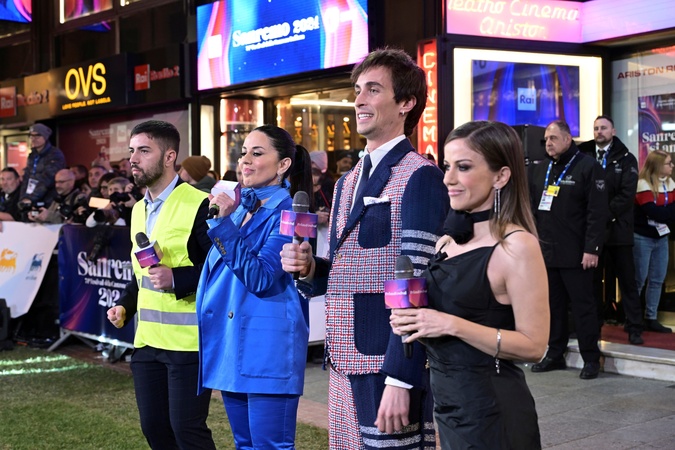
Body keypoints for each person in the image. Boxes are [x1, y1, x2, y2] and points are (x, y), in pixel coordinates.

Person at [281, 48, 449, 448]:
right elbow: (348, 268)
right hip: (342, 360)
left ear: (406, 103)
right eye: (357, 90)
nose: (358, 100)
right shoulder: (346, 182)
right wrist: (311, 269)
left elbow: (418, 283)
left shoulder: (421, 175)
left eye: (373, 89)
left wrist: (401, 377)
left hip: (385, 359)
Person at [389, 120, 549, 449]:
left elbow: (535, 347)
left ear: (500, 176)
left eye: (463, 167)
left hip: (494, 413)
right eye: (447, 166)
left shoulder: (517, 247)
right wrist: (413, 319)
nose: (448, 179)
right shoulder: (447, 241)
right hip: (449, 408)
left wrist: (450, 324)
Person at [196, 125, 313, 449]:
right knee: (244, 444)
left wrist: (221, 223)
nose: (245, 160)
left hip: (266, 347)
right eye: (244, 152)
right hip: (233, 342)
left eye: (257, 153)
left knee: (269, 445)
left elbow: (260, 277)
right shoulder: (242, 207)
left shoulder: (289, 212)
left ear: (283, 164)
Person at [106, 120, 216, 450]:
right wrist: (125, 304)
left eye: (144, 150)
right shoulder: (139, 209)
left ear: (169, 157)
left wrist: (177, 278)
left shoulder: (201, 204)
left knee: (187, 432)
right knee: (154, 429)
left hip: (189, 343)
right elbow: (142, 272)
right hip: (147, 342)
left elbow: (221, 270)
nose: (133, 159)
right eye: (131, 151)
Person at [529, 120, 607, 380]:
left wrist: (592, 248)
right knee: (553, 306)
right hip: (547, 252)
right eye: (546, 140)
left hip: (577, 253)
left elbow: (597, 212)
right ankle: (555, 354)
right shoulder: (541, 169)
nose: (548, 143)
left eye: (553, 138)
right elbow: (532, 209)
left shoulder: (588, 166)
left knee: (584, 308)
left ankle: (591, 358)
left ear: (567, 139)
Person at [579, 115, 644, 345]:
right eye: (596, 128)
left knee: (627, 282)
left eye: (603, 128)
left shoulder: (627, 158)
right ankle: (594, 327)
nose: (599, 132)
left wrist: (602, 215)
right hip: (593, 234)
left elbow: (627, 194)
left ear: (613, 131)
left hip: (618, 231)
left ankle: (634, 327)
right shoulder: (584, 155)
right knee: (592, 283)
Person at [633, 150, 675, 333]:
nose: (672, 166)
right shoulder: (642, 184)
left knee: (657, 279)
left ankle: (651, 317)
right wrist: (668, 213)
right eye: (668, 163)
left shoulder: (670, 183)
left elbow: (664, 212)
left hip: (662, 237)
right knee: (639, 280)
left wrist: (665, 214)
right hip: (643, 238)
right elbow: (654, 212)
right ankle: (632, 318)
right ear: (658, 166)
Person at [19, 123, 66, 209]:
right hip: (31, 199)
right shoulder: (32, 155)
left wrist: (30, 198)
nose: (33, 139)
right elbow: (27, 178)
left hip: (48, 201)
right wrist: (23, 198)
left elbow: (47, 179)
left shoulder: (55, 154)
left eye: (37, 136)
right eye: (31, 136)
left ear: (45, 137)